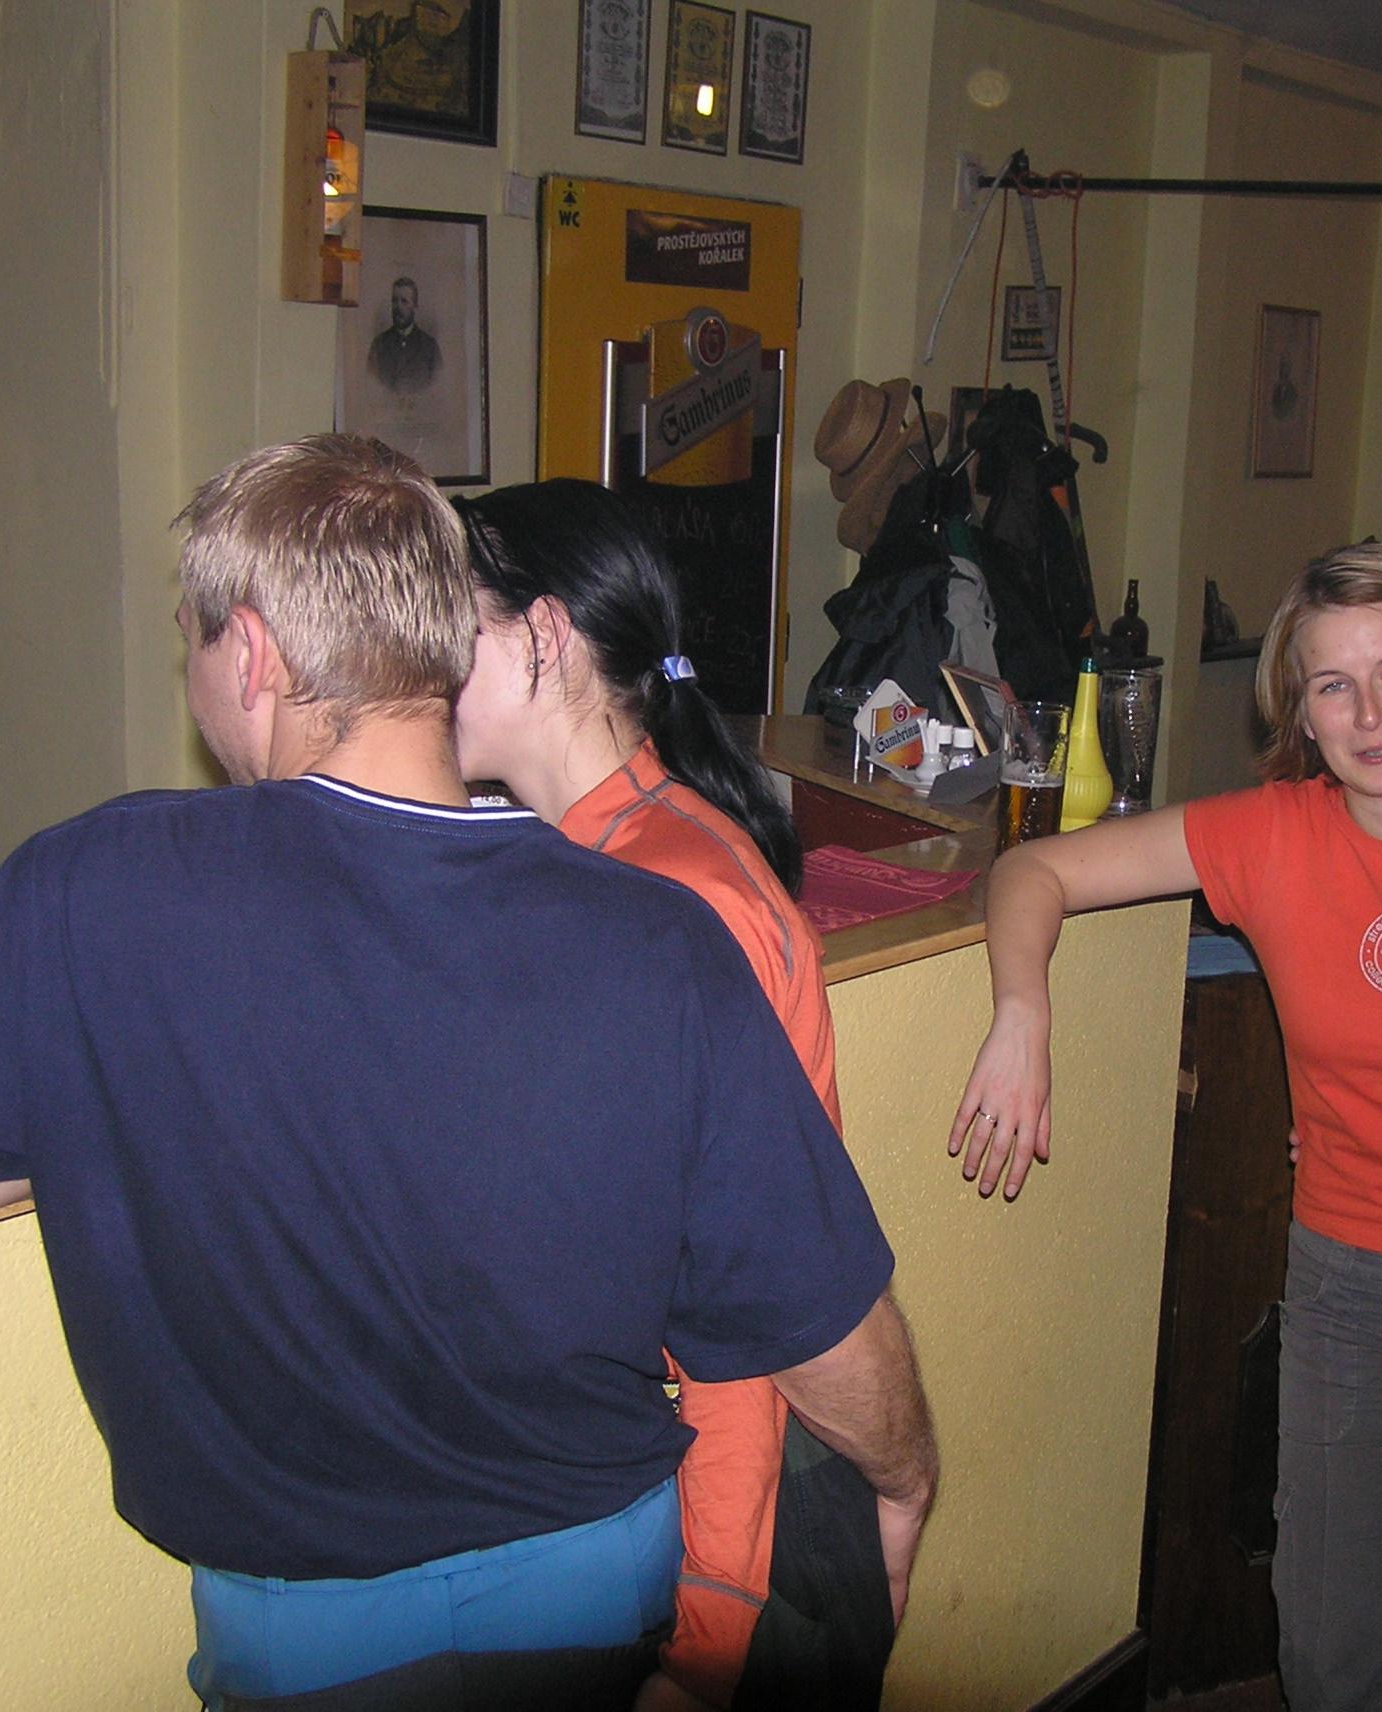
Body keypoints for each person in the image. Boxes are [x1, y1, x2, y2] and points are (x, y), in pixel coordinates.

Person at [0, 436, 936, 1711]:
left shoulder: (88, 897)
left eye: (192, 643)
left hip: (309, 1637)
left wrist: (86, 1109)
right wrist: (906, 1474)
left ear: (252, 654)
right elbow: (820, 1323)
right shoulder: (653, 936)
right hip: (603, 1595)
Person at [953, 540, 1382, 1710]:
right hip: (1352, 1280)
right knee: (1332, 1645)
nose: (1369, 713)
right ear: (1298, 709)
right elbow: (1030, 872)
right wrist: (1021, 1014)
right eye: (1331, 684)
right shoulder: (1272, 833)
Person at [452, 477, 891, 1712]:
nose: (421, 662)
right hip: (682, 1482)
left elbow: (737, 1316)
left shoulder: (669, 888)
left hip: (743, 1512)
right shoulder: (594, 849)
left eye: (451, 622)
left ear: (542, 635)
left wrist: (706, 1643)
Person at [368, 276, 442, 394]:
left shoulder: (430, 346)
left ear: (415, 306)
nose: (398, 307)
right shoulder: (379, 344)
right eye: (394, 301)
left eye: (404, 301)